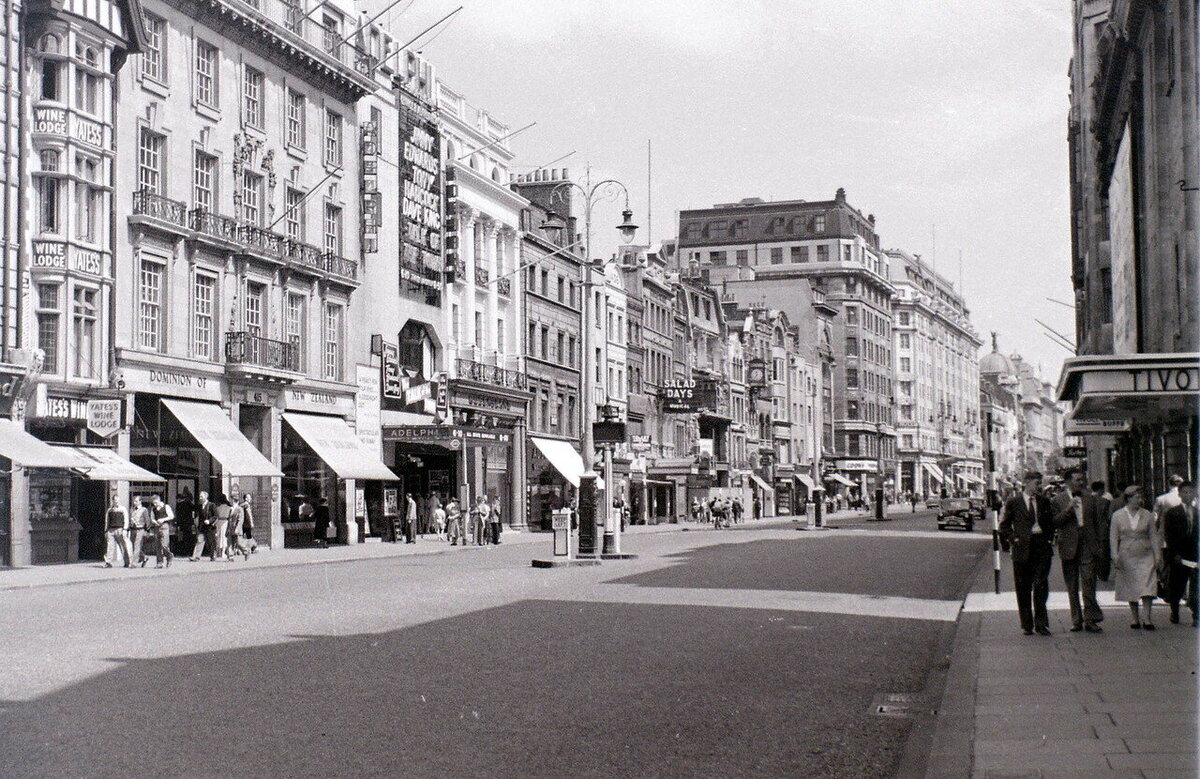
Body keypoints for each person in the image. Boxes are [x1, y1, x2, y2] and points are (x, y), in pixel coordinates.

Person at [1000, 471, 1055, 636]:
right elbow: (1004, 526)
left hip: (1041, 547)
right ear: (1027, 482)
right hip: (1022, 549)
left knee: (1041, 585)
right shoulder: (1014, 502)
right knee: (1023, 588)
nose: (1039, 486)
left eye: (1040, 483)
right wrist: (1013, 539)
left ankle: (1041, 624)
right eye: (1037, 483)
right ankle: (1026, 624)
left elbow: (1049, 523)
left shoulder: (1044, 501)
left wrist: (1048, 539)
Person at [1053, 468, 1106, 633]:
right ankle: (1076, 620)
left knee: (1089, 581)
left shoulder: (1090, 499)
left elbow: (1098, 522)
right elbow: (1055, 522)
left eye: (1082, 479)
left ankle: (1090, 619)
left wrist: (1099, 545)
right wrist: (1068, 509)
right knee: (1072, 585)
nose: (1081, 483)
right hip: (1068, 545)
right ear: (1068, 482)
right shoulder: (1058, 500)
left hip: (1087, 544)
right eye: (1077, 480)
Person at [1111, 486, 1163, 630]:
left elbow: (1153, 536)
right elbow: (1113, 537)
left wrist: (1157, 555)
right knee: (1131, 586)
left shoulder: (1147, 515)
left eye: (1141, 497)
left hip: (1145, 554)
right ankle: (1135, 618)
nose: (1140, 500)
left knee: (1148, 585)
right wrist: (1114, 555)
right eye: (1137, 497)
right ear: (1128, 498)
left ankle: (1147, 618)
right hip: (1126, 554)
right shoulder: (1118, 515)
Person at [1162, 481, 1198, 627]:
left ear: (1195, 494)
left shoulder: (1198, 513)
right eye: (1185, 492)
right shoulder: (1172, 513)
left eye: (1190, 492)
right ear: (1179, 494)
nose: (1188, 495)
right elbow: (1169, 535)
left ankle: (1196, 615)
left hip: (1195, 554)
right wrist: (1174, 554)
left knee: (1196, 585)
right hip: (1179, 554)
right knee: (1177, 584)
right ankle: (1174, 610)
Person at [1090, 481, 1114, 581]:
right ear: (1101, 489)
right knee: (1105, 554)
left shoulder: (1087, 500)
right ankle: (1103, 574)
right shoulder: (1106, 501)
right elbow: (1109, 517)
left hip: (1091, 531)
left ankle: (1094, 572)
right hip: (1103, 531)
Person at [103, 494, 132, 568]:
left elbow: (126, 519)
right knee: (110, 546)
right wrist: (106, 530)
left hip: (120, 529)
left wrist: (125, 529)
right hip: (111, 530)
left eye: (118, 500)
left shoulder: (123, 509)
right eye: (115, 500)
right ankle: (108, 562)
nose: (116, 502)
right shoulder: (109, 510)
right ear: (113, 501)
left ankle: (127, 562)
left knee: (123, 546)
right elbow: (107, 521)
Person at [148, 494, 174, 568]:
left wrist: (163, 519)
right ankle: (159, 562)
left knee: (164, 544)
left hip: (164, 526)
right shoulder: (153, 509)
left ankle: (169, 556)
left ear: (159, 500)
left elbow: (171, 516)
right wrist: (154, 521)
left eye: (156, 502)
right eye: (153, 503)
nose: (155, 504)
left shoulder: (166, 507)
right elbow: (152, 518)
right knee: (158, 546)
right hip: (157, 527)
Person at [190, 491, 214, 562]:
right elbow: (198, 516)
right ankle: (196, 556)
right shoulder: (199, 506)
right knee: (199, 540)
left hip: (209, 527)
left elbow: (215, 516)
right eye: (200, 496)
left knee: (210, 542)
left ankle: (213, 555)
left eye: (201, 496)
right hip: (202, 527)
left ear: (206, 497)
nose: (200, 498)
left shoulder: (211, 505)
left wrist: (209, 521)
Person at [226, 495, 250, 560]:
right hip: (231, 529)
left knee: (239, 543)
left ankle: (246, 552)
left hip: (236, 529)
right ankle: (231, 556)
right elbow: (229, 520)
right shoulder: (231, 509)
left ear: (234, 501)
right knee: (230, 543)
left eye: (231, 500)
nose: (230, 502)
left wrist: (237, 529)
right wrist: (227, 529)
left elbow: (240, 520)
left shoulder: (240, 509)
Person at [128, 496, 150, 568]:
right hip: (133, 529)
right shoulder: (131, 509)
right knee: (133, 546)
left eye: (136, 501)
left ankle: (134, 563)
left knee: (137, 545)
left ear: (140, 501)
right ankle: (144, 558)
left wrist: (147, 530)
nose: (134, 503)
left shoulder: (144, 510)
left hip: (140, 529)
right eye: (134, 501)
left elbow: (147, 520)